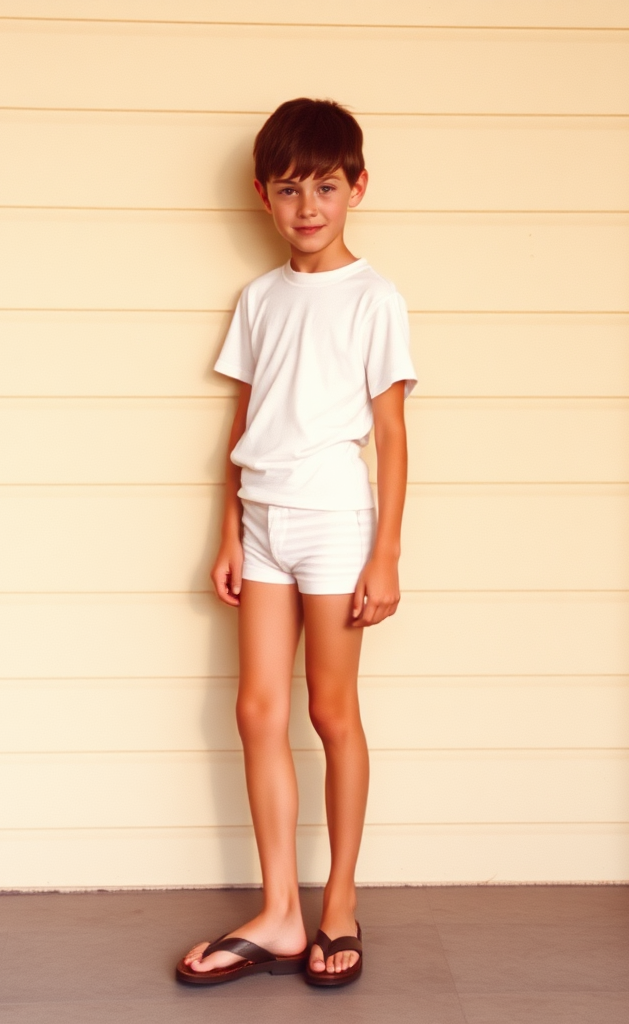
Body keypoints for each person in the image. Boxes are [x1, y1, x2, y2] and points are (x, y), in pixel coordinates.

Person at [176, 98, 416, 988]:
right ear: (263, 197)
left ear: (357, 187)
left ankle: (339, 902)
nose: (308, 205)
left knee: (329, 712)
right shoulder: (259, 299)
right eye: (289, 189)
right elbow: (242, 422)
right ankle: (281, 911)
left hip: (334, 526)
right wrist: (230, 531)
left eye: (325, 185)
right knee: (256, 712)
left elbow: (390, 437)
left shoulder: (374, 297)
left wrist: (385, 553)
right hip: (263, 525)